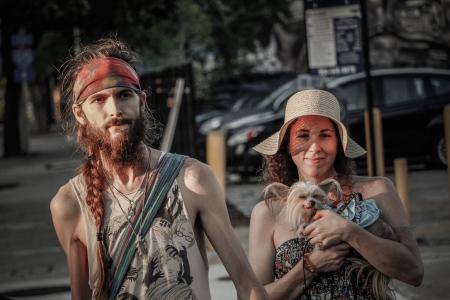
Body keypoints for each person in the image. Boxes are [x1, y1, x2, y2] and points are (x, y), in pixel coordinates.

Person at [50, 38, 267, 300]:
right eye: (98, 99)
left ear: (142, 101)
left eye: (124, 95)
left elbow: (249, 286)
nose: (115, 110)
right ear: (79, 113)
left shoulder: (191, 179)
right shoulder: (69, 204)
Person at [248, 89, 423, 299]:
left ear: (339, 143)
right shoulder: (267, 212)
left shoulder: (378, 190)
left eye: (325, 135)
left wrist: (350, 232)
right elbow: (253, 296)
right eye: (303, 135)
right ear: (287, 144)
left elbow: (414, 272)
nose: (314, 147)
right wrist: (310, 266)